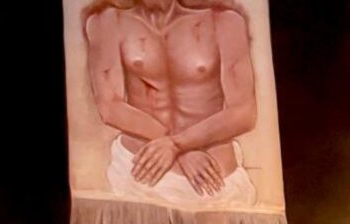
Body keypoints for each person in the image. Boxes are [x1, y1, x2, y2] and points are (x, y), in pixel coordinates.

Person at [84, 0, 259, 207]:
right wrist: (180, 149)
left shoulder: (224, 23)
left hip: (217, 185)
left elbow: (244, 113)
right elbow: (109, 107)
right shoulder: (107, 23)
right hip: (139, 183)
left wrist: (178, 144)